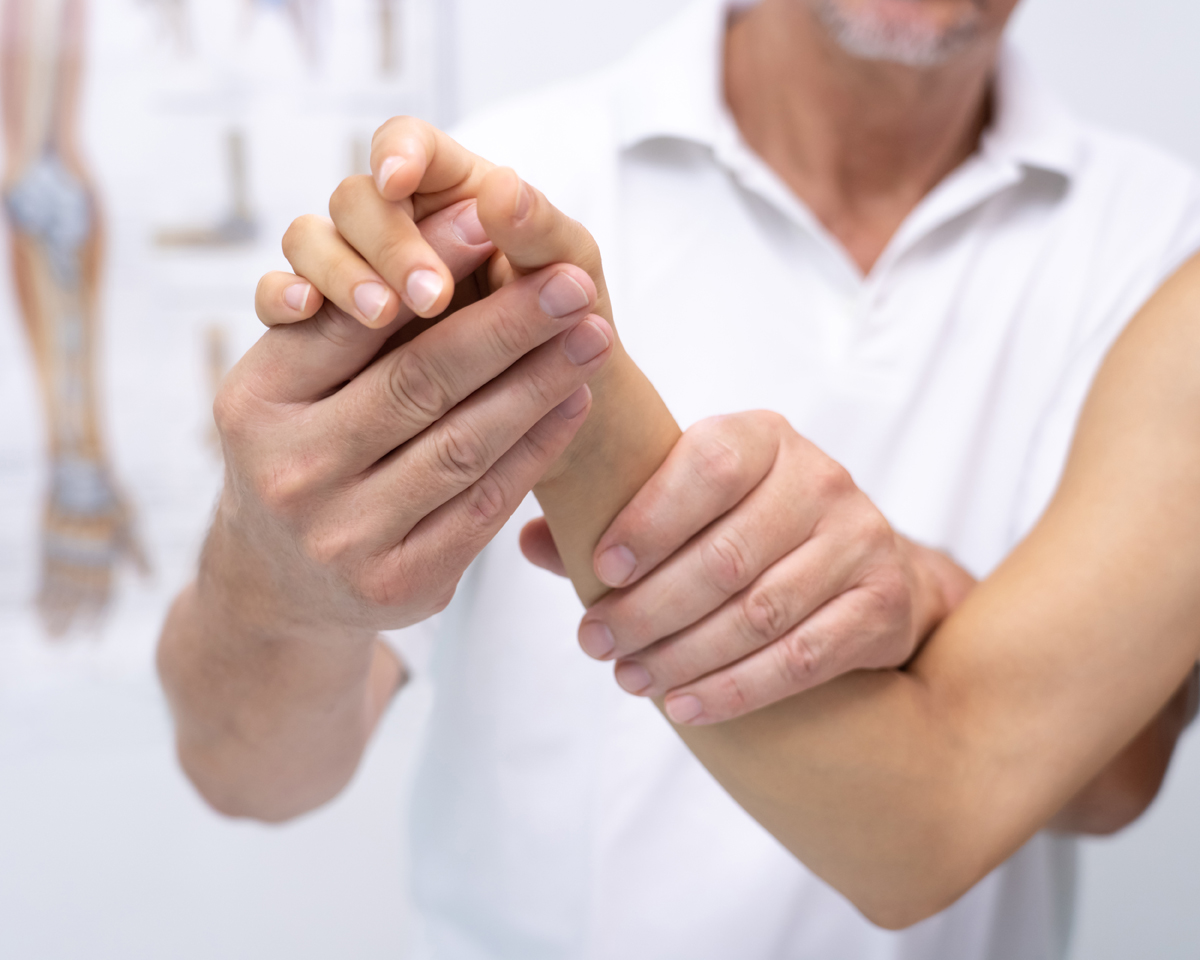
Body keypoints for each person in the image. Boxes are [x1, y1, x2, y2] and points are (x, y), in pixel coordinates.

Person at [159, 0, 1200, 957]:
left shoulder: (1160, 247)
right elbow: (249, 775)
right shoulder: (511, 190)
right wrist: (268, 577)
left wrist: (926, 598)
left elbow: (1107, 778)